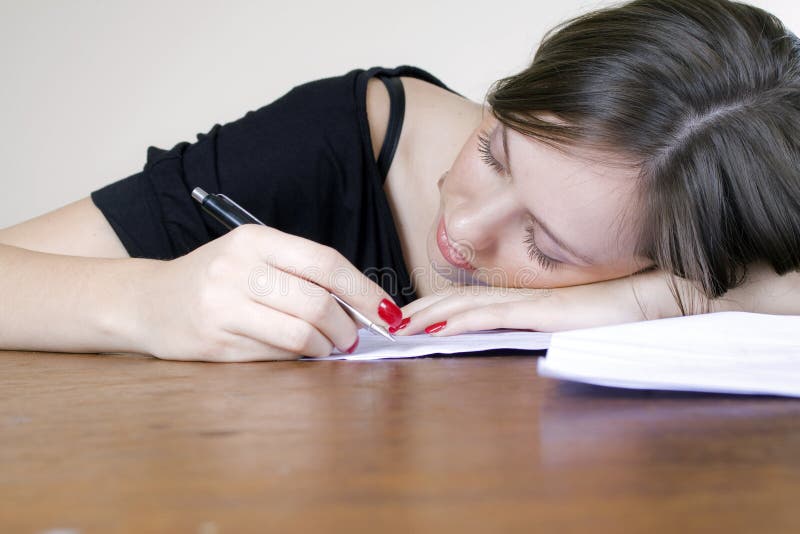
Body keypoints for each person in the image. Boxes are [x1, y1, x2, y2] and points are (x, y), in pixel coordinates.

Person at [1, 0, 798, 362]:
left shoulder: (688, 244)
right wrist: (149, 302)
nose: (468, 226)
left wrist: (638, 301)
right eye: (494, 152)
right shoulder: (335, 140)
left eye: (547, 247)